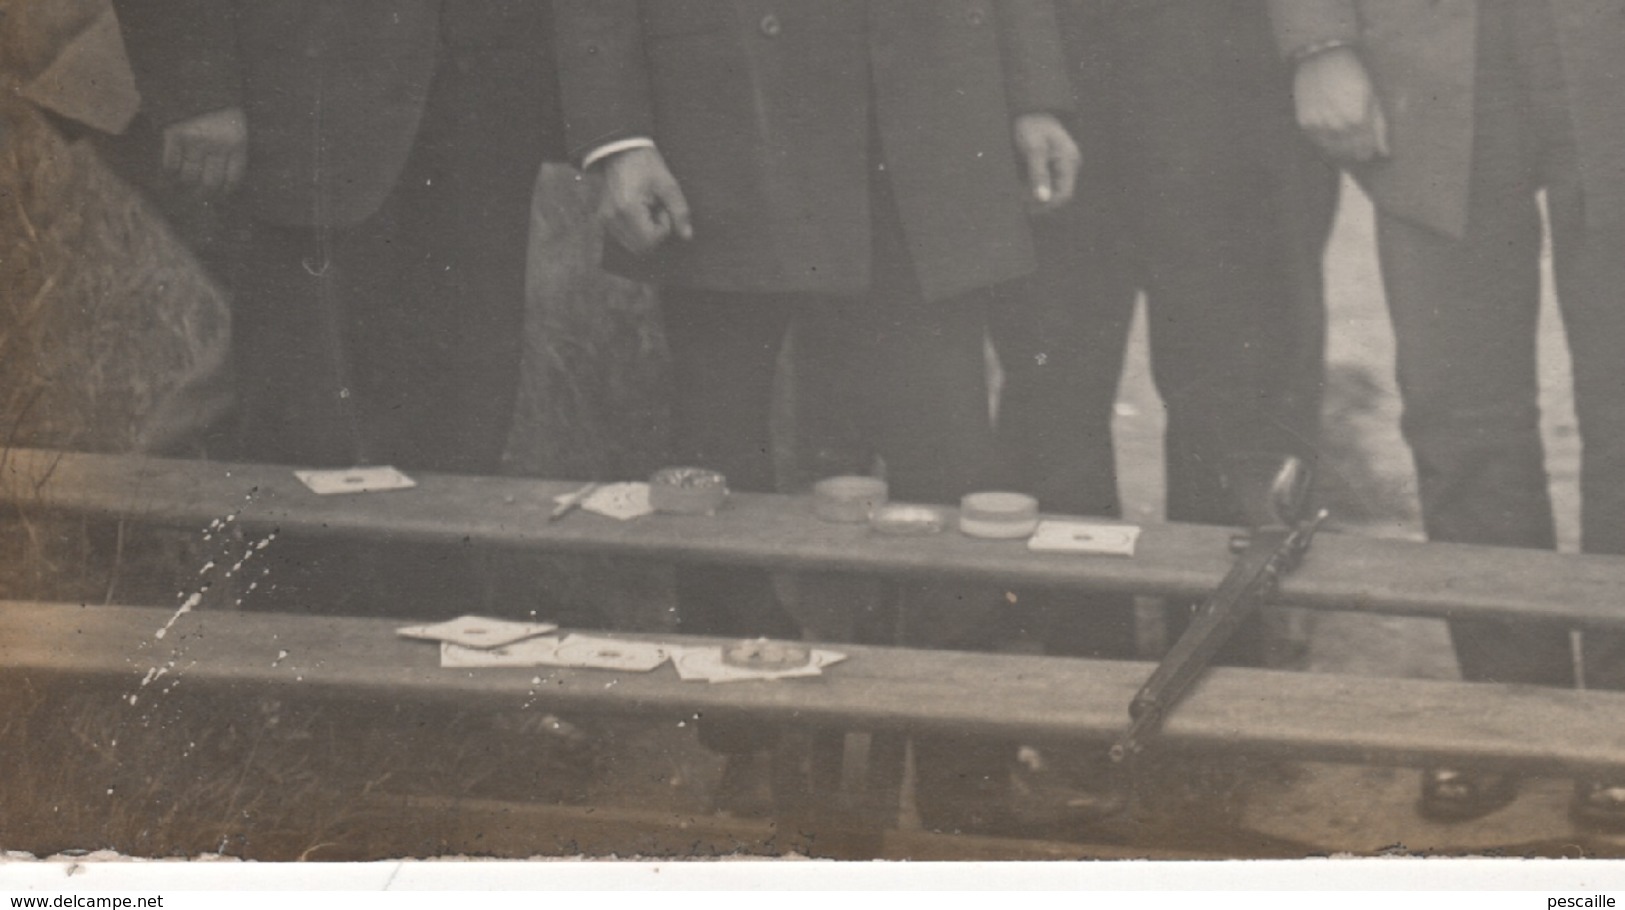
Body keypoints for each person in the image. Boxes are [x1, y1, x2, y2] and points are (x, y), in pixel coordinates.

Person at [552, 0, 1080, 833]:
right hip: (727, 105)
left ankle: (957, 756)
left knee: (947, 450)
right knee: (721, 452)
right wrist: (616, 136)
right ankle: (756, 742)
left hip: (914, 115)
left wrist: (1032, 95)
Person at [1271, 0, 1625, 829]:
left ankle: (1619, 713)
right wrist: (1317, 40)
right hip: (1424, 55)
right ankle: (1507, 707)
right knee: (1457, 408)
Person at [112, 1, 563, 616]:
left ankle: (446, 667)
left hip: (484, 98)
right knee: (301, 415)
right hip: (301, 104)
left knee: (464, 411)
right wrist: (196, 89)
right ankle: (294, 669)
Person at [991, 0, 1336, 693]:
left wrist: (1320, 47)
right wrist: (1028, 90)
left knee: (1234, 392)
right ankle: (1081, 669)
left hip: (1231, 80)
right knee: (1056, 388)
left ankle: (1217, 678)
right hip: (1064, 79)